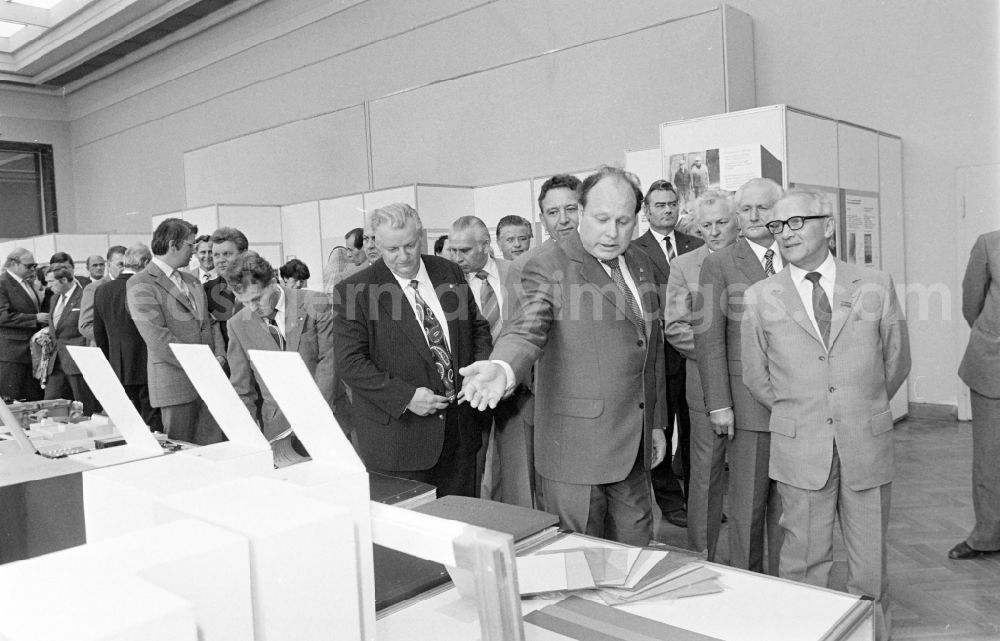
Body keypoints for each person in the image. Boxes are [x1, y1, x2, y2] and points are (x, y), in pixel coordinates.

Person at [460, 166, 668, 546]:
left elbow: (647, 349)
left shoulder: (639, 262)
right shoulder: (547, 264)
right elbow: (526, 328)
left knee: (635, 555)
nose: (612, 232)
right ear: (581, 212)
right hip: (576, 453)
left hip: (633, 447)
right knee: (581, 563)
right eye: (602, 219)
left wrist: (655, 423)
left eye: (624, 221)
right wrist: (504, 367)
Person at [741, 190, 910, 640]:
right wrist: (802, 411)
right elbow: (757, 377)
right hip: (800, 447)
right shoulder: (760, 297)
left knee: (869, 567)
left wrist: (859, 405)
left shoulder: (874, 284)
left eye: (796, 222)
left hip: (866, 440)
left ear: (828, 227)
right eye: (778, 227)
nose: (786, 234)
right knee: (803, 563)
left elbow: (895, 363)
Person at [332, 203, 492, 497]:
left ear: (422, 236)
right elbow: (350, 362)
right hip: (399, 441)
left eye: (410, 245)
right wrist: (406, 397)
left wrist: (478, 370)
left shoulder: (449, 272)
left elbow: (477, 329)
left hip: (459, 436)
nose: (403, 256)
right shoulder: (354, 289)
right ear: (375, 244)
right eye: (392, 249)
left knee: (462, 528)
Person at [694, 177, 785, 574]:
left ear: (778, 212)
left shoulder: (796, 255)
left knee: (790, 511)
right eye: (745, 209)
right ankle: (749, 587)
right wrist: (718, 403)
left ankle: (787, 586)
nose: (752, 216)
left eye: (762, 208)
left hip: (798, 406)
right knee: (747, 507)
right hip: (746, 406)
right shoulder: (720, 262)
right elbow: (708, 338)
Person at [664, 189, 740, 558]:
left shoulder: (756, 261)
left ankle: (752, 560)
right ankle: (701, 557)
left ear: (736, 221)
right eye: (705, 224)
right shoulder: (684, 265)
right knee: (706, 473)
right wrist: (719, 358)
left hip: (753, 383)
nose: (713, 231)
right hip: (704, 384)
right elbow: (676, 327)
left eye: (721, 223)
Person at [632, 179, 703, 528]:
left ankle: (698, 499)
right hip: (658, 356)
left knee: (693, 433)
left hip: (691, 355)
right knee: (662, 427)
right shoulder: (634, 249)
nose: (668, 210)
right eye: (660, 205)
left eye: (672, 204)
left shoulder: (696, 245)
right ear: (646, 211)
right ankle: (670, 502)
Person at [448, 215, 532, 506]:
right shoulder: (447, 284)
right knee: (476, 466)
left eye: (465, 251)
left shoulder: (519, 272)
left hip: (518, 386)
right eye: (452, 250)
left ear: (486, 246)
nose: (456, 258)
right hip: (473, 388)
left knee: (518, 472)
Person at [226, 253, 336, 465]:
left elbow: (329, 363)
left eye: (257, 298)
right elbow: (241, 388)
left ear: (273, 282)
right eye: (244, 301)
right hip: (279, 432)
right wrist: (251, 438)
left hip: (327, 418)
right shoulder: (237, 324)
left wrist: (316, 416)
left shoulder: (316, 303)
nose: (252, 308)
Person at [127, 218, 224, 444]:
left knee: (215, 451)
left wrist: (220, 355)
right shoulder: (140, 283)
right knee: (183, 458)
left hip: (209, 379)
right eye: (191, 246)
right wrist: (201, 362)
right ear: (174, 245)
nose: (194, 252)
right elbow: (157, 337)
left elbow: (208, 323)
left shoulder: (192, 280)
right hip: (175, 382)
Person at [950, 229, 1000, 560]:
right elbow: (972, 303)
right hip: (992, 366)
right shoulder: (989, 243)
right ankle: (987, 536)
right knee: (990, 458)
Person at [93, 243, 161, 432]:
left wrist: (112, 360)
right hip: (147, 364)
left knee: (128, 425)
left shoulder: (102, 290)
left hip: (119, 366)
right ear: (146, 262)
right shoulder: (146, 287)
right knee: (153, 422)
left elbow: (99, 334)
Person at [42, 265, 99, 414]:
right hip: (56, 361)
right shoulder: (54, 298)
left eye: (51, 282)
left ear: (64, 279)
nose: (48, 286)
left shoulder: (84, 296)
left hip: (76, 361)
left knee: (84, 407)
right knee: (50, 404)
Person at [0, 249, 48, 401]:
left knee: (32, 399)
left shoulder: (27, 283)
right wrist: (35, 318)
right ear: (14, 264)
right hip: (12, 354)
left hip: (31, 352)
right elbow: (2, 316)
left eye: (35, 265)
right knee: (12, 401)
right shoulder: (3, 283)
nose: (33, 269)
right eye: (29, 266)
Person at [513, 174, 582, 268]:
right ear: (543, 220)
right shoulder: (523, 265)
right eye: (553, 212)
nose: (563, 220)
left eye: (571, 209)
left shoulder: (604, 254)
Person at [204, 227, 249, 349]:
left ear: (244, 254)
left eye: (227, 254)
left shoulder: (262, 286)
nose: (220, 260)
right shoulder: (205, 292)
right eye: (216, 255)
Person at [79, 245, 126, 345]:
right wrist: (114, 340)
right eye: (120, 264)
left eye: (128, 265)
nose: (124, 269)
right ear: (109, 265)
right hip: (107, 348)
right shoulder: (94, 289)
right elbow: (85, 325)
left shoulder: (133, 286)